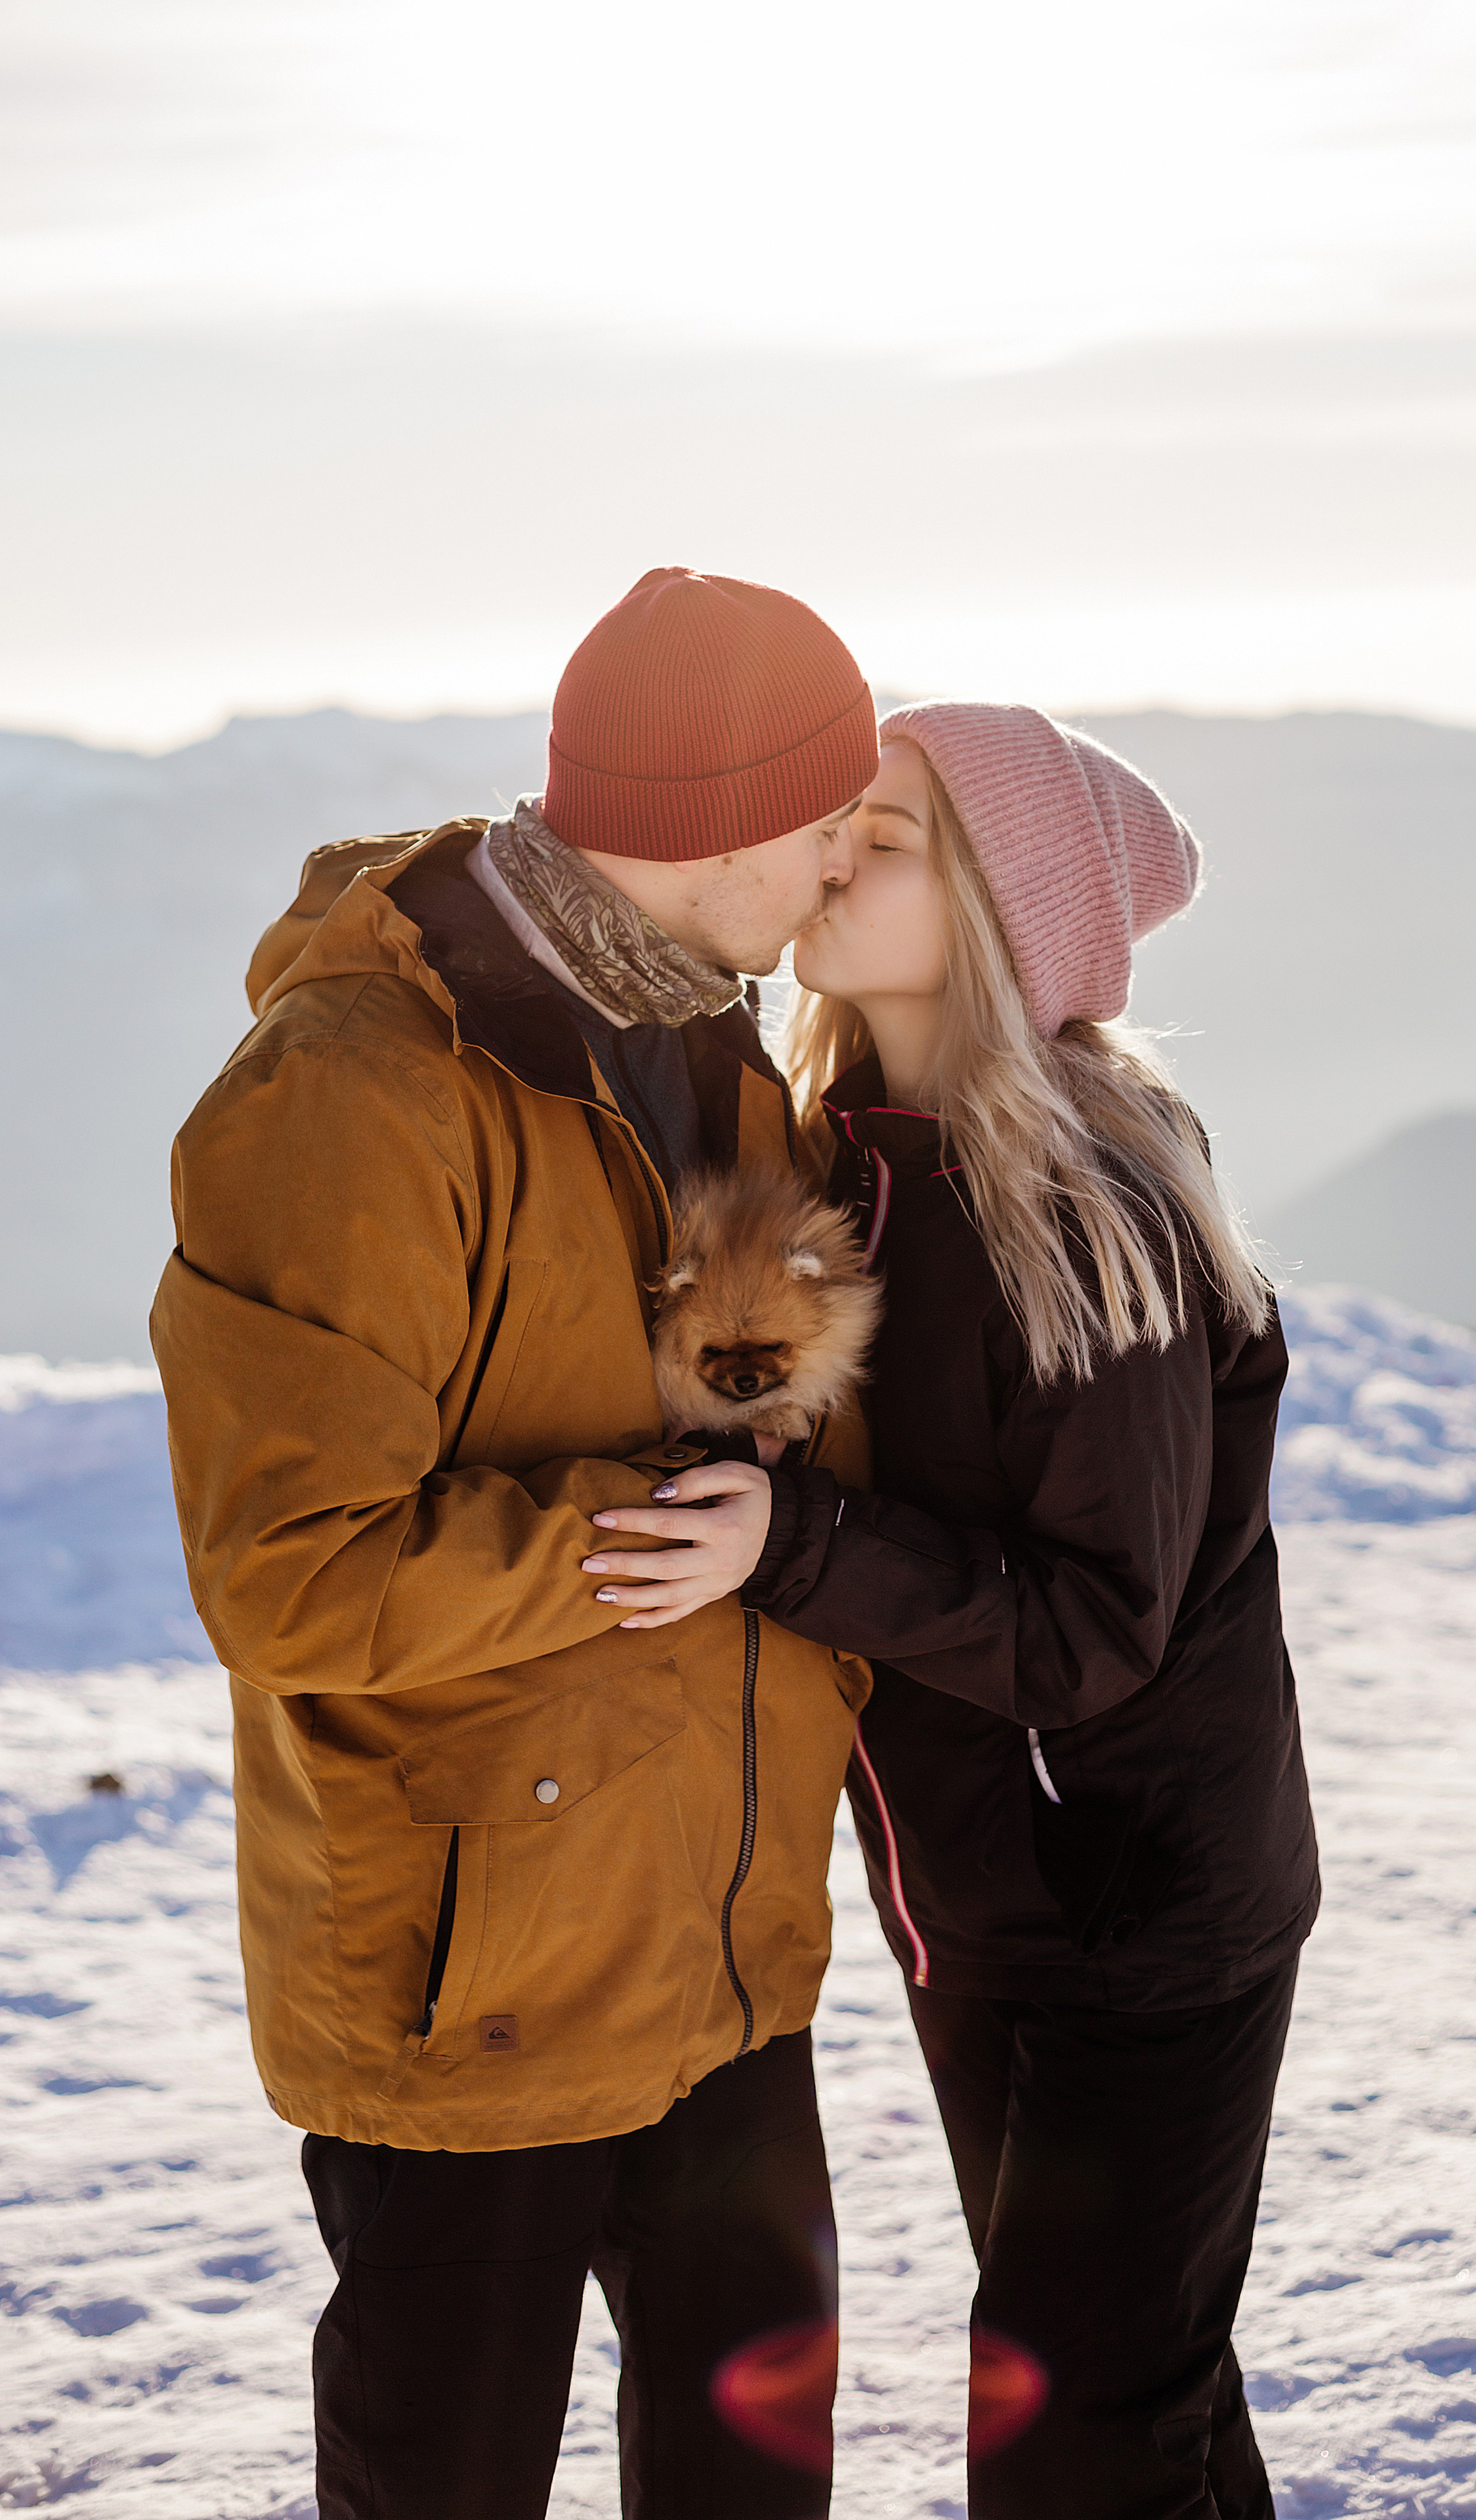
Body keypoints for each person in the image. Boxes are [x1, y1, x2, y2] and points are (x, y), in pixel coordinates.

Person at [150, 568, 880, 2520]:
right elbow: (291, 1573)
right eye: (827, 812)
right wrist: (651, 1532)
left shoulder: (714, 1051)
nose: (846, 854)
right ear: (720, 817)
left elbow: (769, 1415)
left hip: (723, 1951)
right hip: (472, 1983)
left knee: (757, 2485)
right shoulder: (354, 1093)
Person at [584, 701, 1320, 2519]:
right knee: (1137, 2398)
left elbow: (1093, 1634)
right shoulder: (847, 1159)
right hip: (975, 1905)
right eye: (840, 819)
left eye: (889, 836)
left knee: (1075, 2438)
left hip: (1145, 1917)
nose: (833, 856)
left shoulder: (1085, 1205)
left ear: (1006, 909)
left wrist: (792, 1543)